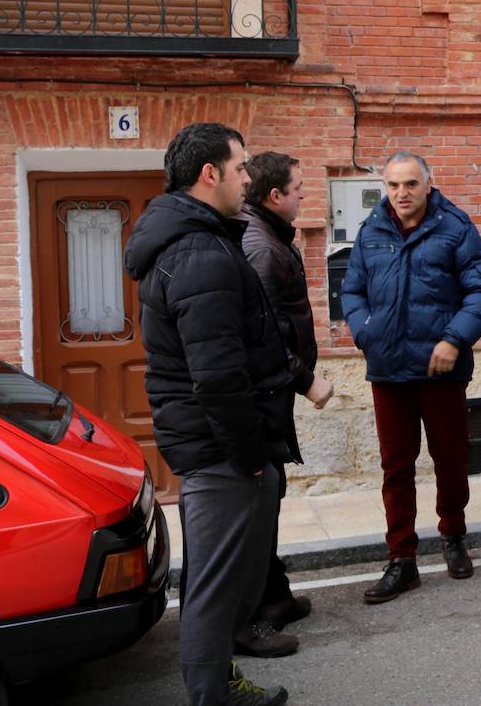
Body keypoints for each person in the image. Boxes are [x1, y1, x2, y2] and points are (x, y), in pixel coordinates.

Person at [124, 123, 329, 706]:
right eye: (240, 168)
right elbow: (216, 376)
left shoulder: (205, 242)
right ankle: (211, 695)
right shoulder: (198, 254)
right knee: (213, 584)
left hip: (222, 442)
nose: (247, 179)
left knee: (225, 576)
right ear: (209, 174)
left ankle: (218, 684)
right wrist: (249, 457)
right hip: (221, 449)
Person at [341, 151, 481, 603]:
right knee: (396, 467)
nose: (401, 194)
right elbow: (352, 289)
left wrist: (454, 340)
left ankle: (453, 535)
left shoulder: (455, 226)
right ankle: (402, 559)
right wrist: (363, 332)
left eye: (410, 184)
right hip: (389, 370)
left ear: (428, 184)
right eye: (393, 186)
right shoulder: (371, 230)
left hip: (441, 371)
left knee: (451, 459)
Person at [236, 152, 335, 656]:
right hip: (265, 394)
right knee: (258, 504)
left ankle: (275, 596)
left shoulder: (269, 236)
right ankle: (253, 615)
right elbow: (269, 333)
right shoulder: (260, 248)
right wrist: (306, 381)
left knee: (270, 496)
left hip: (273, 392)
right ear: (275, 196)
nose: (303, 196)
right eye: (298, 188)